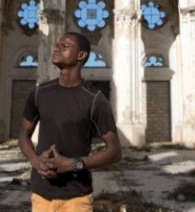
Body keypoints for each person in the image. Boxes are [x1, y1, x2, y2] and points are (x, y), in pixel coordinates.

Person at [18, 32, 121, 211]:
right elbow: (23, 135)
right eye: (57, 45)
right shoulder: (39, 93)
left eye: (64, 46)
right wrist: (35, 161)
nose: (57, 47)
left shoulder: (95, 99)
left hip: (77, 197)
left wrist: (72, 164)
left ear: (81, 55)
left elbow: (115, 151)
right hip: (40, 195)